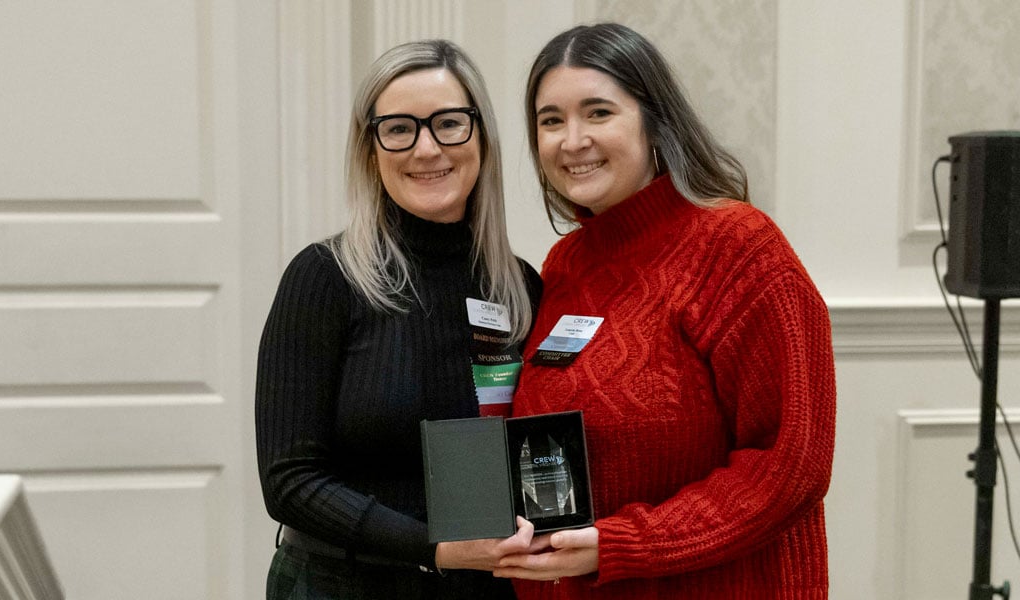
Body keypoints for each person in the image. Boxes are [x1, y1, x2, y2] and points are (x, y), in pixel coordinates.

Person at [495, 23, 837, 599]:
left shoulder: (738, 247)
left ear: (655, 122)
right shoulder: (565, 264)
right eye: (551, 120)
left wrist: (625, 544)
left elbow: (790, 465)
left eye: (598, 113)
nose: (572, 140)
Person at [255, 39, 542, 599]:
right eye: (399, 129)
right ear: (371, 150)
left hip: (484, 588)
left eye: (449, 124)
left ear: (482, 138)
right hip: (340, 586)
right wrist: (434, 549)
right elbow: (288, 482)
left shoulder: (519, 287)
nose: (426, 148)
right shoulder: (325, 277)